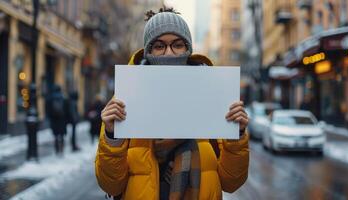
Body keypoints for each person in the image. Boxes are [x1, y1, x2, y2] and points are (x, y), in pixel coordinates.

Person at [95, 7, 249, 200]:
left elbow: (232, 182)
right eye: (159, 46)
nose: (169, 52)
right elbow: (111, 184)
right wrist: (111, 136)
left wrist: (237, 136)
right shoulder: (125, 100)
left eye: (177, 44)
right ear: (148, 51)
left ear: (188, 49)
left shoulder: (213, 98)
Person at [48, 85, 66, 156]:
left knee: (55, 136)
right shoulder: (63, 98)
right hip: (62, 120)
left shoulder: (51, 98)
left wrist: (50, 117)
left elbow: (48, 109)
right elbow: (66, 109)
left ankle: (56, 150)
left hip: (54, 119)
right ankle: (61, 150)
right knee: (61, 136)